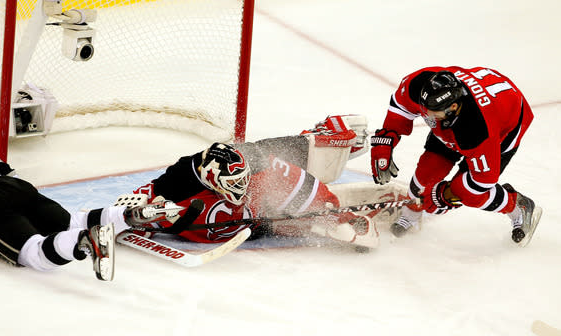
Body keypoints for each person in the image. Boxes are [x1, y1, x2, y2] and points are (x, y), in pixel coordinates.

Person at [0, 106, 151, 281]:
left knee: (33, 253)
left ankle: (85, 241)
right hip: (11, 187)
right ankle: (127, 215)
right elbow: (3, 170)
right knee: (69, 221)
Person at [120, 115, 400, 251]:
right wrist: (135, 214)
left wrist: (337, 215)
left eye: (241, 181)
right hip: (255, 217)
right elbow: (149, 195)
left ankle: (332, 136)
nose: (238, 189)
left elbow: (306, 188)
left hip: (268, 169)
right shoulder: (183, 178)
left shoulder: (260, 166)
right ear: (212, 181)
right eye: (233, 185)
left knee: (306, 163)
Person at [369, 66, 542, 246]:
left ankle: (517, 206)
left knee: (471, 195)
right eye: (424, 109)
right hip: (458, 121)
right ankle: (411, 212)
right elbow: (401, 107)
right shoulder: (419, 83)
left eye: (432, 112)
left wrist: (445, 194)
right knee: (426, 174)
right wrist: (386, 140)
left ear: (453, 107)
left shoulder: (477, 129)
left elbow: (483, 180)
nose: (427, 116)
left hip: (504, 127)